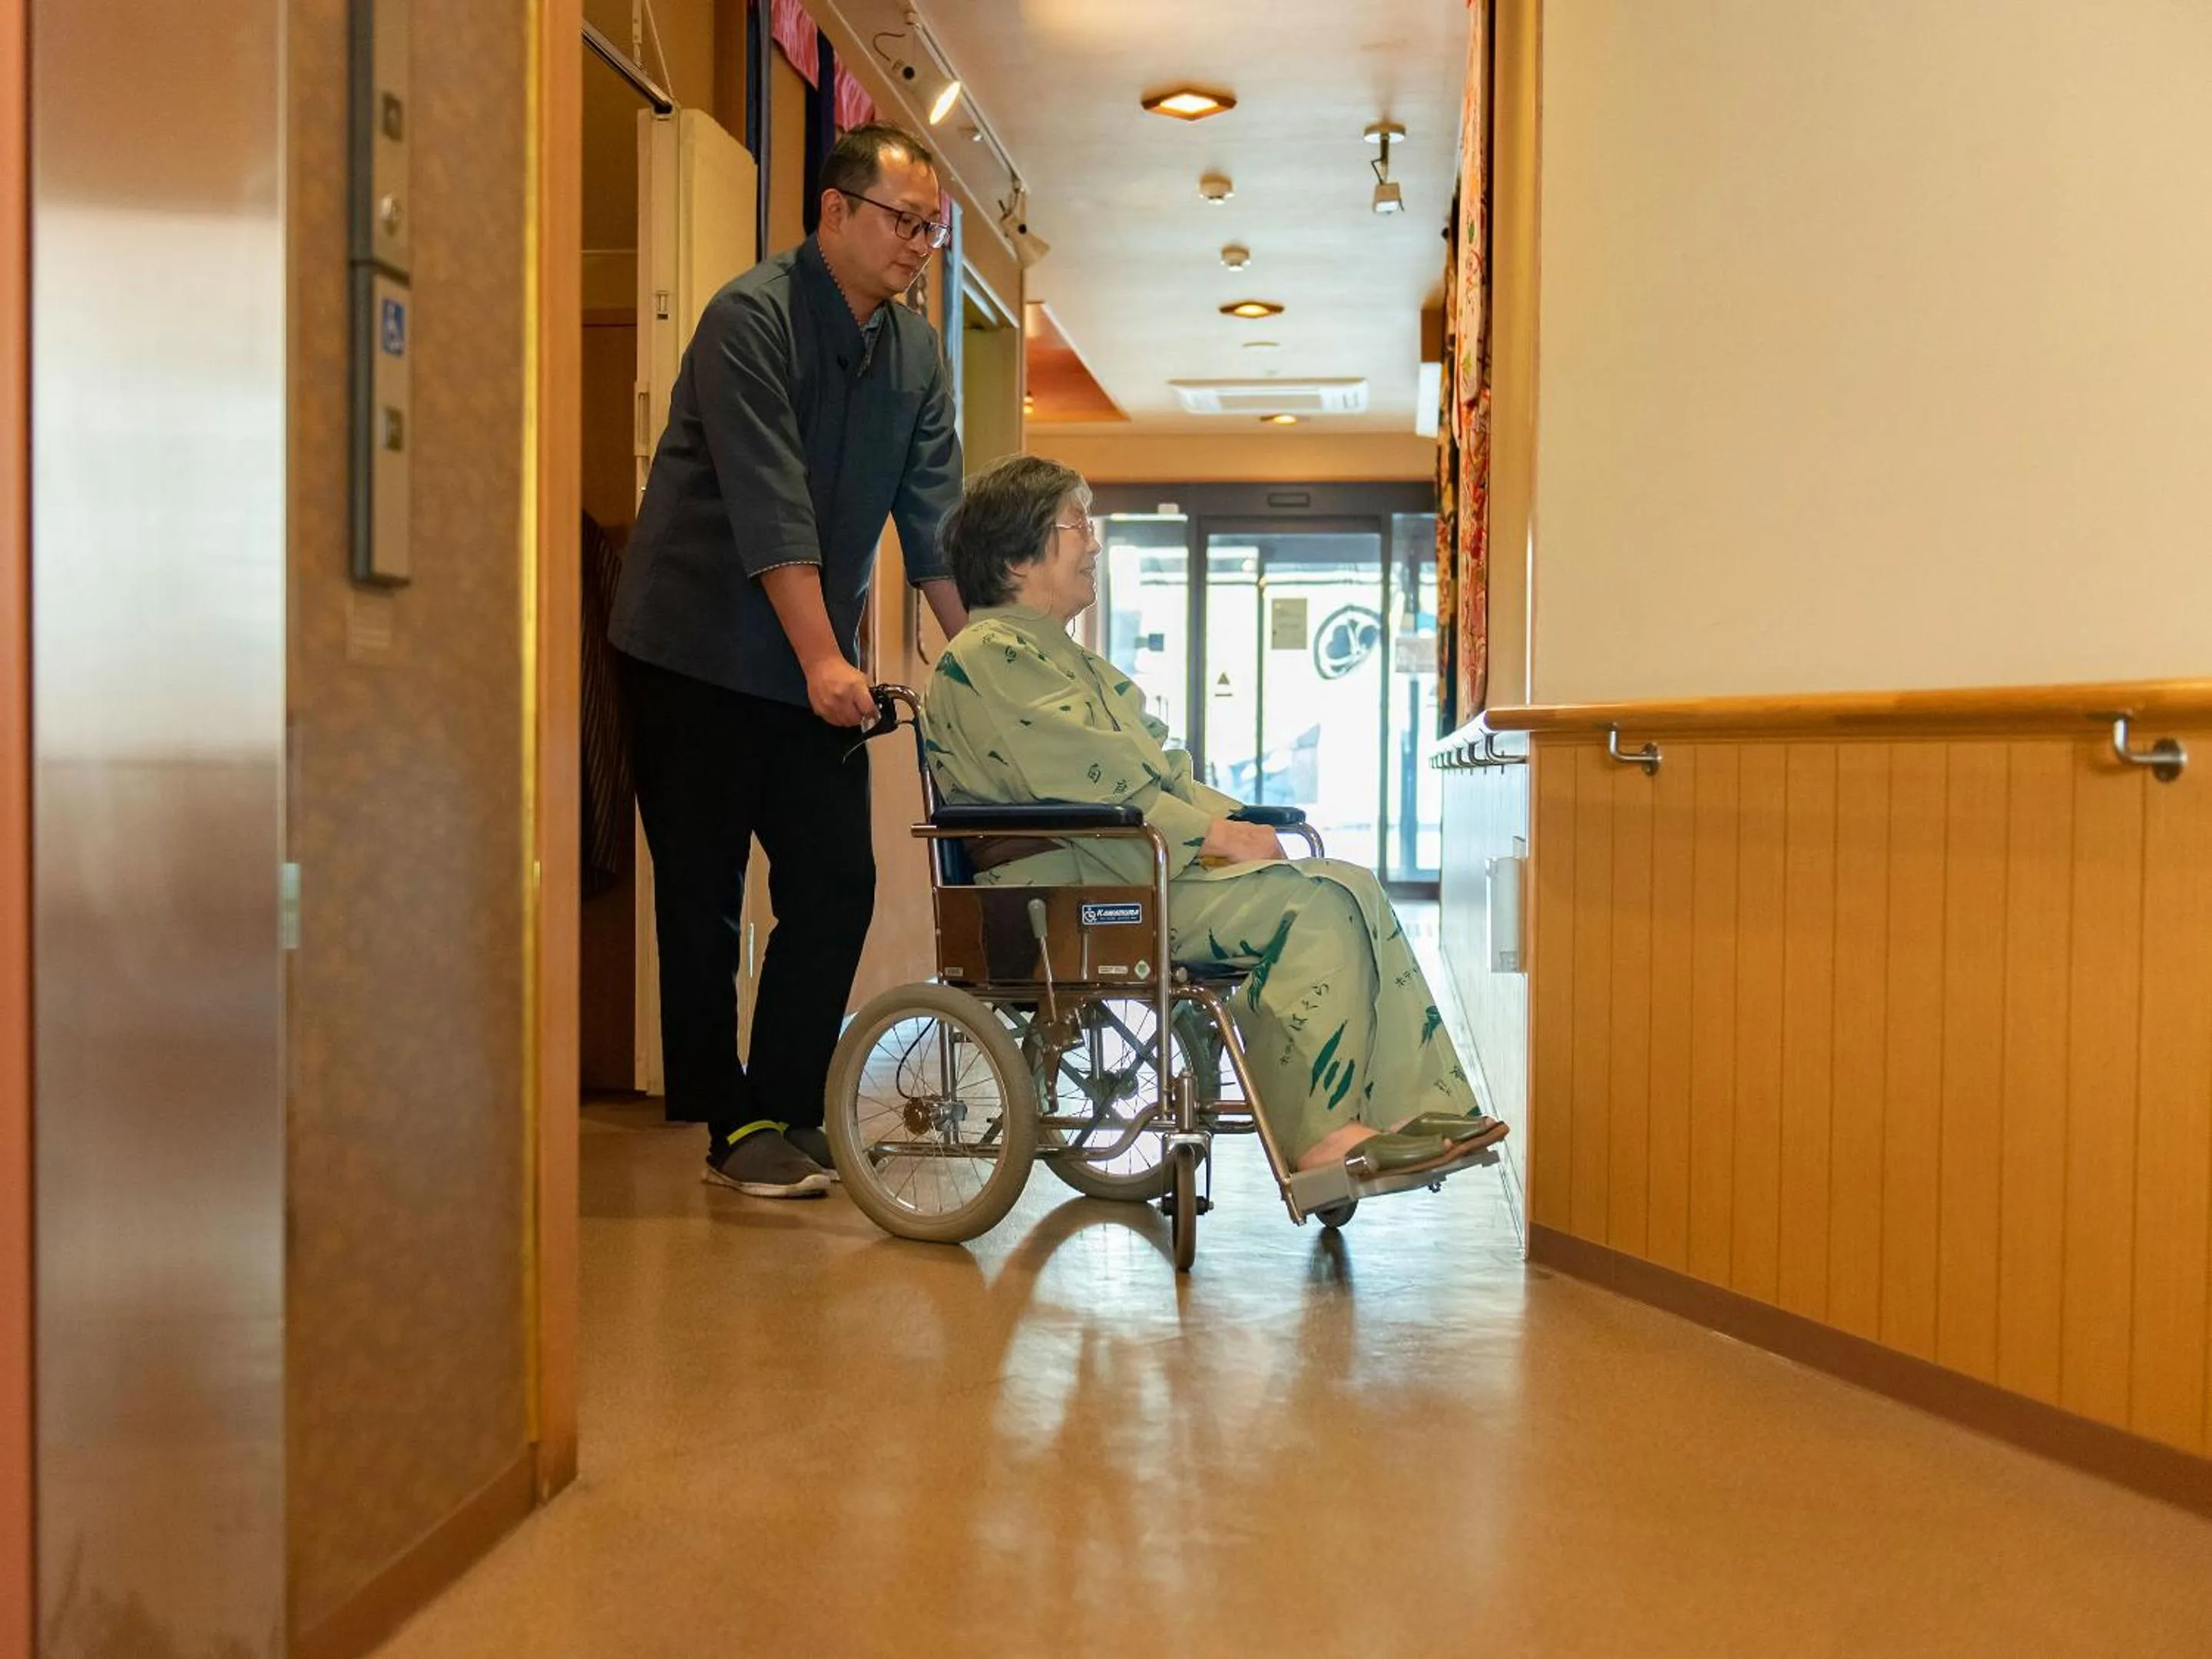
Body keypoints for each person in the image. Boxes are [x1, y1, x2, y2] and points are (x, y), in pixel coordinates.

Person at [922, 455, 1508, 1181]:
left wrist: (1235, 825)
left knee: (1350, 884)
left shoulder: (1067, 659)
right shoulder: (987, 655)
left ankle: (1408, 1114)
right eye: (1078, 524)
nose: (1094, 543)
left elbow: (1164, 775)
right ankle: (1319, 1139)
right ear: (1016, 552)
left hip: (1126, 867)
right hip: (1077, 887)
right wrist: (1221, 836)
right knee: (1317, 903)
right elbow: (1091, 778)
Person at [611, 124, 969, 1198]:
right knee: (705, 895)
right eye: (905, 222)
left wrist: (992, 662)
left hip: (813, 662)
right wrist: (825, 659)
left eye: (933, 230)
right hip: (692, 649)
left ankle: (787, 1101)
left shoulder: (915, 352)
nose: (920, 247)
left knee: (836, 881)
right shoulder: (748, 319)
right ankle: (733, 1124)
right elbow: (773, 512)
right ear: (834, 211)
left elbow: (936, 522)